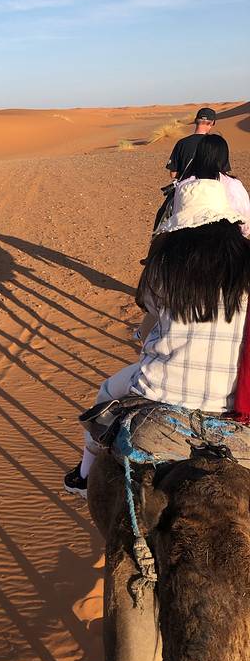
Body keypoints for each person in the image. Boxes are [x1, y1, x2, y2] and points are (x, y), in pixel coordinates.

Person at [64, 178, 250, 498]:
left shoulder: (164, 264)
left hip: (162, 387)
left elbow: (149, 309)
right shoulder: (246, 263)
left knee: (106, 391)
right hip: (231, 395)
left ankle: (83, 477)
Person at [177, 133, 250, 237]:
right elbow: (246, 225)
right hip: (227, 241)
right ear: (224, 158)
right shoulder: (234, 185)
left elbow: (177, 219)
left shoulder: (184, 185)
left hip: (189, 242)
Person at [166, 106, 228, 180]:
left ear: (195, 121)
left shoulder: (181, 143)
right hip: (211, 185)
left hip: (187, 186)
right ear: (212, 122)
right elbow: (224, 173)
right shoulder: (217, 143)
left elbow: (173, 174)